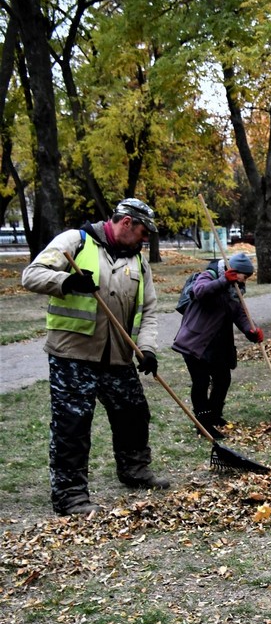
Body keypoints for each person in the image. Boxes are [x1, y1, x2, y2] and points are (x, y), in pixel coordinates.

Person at [20, 198, 170, 516]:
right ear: (126, 222)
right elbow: (31, 275)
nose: (146, 239)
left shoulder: (139, 262)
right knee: (72, 425)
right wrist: (67, 282)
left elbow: (149, 311)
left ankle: (135, 470)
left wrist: (147, 349)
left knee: (134, 412)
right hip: (72, 354)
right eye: (143, 232)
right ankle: (70, 495)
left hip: (116, 355)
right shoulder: (76, 241)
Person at [171, 251, 264, 437]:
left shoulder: (236, 289)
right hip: (195, 342)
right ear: (234, 271)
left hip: (218, 344)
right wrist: (224, 281)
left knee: (223, 379)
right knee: (201, 381)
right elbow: (200, 292)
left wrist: (251, 330)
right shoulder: (210, 276)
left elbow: (239, 313)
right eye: (244, 276)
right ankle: (203, 423)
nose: (245, 281)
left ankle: (214, 415)